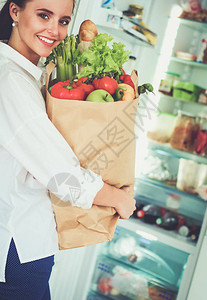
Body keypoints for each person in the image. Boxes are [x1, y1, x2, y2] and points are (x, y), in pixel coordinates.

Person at [0, 0, 136, 299]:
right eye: (44, 15)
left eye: (63, 21)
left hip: (20, 245)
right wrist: (120, 200)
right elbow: (61, 174)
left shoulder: (27, 74)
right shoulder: (11, 80)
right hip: (17, 246)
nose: (54, 30)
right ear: (14, 11)